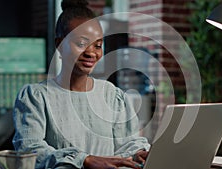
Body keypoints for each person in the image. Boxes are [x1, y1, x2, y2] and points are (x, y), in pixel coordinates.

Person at [12, 0, 151, 168]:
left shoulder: (112, 95)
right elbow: (30, 150)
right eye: (81, 44)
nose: (91, 53)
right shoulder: (36, 97)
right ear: (60, 45)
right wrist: (85, 160)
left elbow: (128, 144)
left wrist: (138, 154)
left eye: (98, 45)